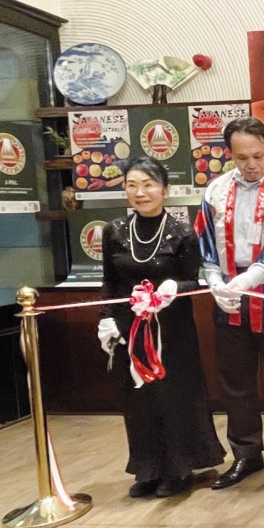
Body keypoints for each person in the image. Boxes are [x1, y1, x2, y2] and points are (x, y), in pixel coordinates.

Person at [97, 156, 225, 498]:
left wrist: (172, 289)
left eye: (149, 185)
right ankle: (147, 469)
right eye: (132, 185)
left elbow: (193, 282)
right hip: (129, 329)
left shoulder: (183, 232)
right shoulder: (114, 232)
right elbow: (109, 281)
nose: (141, 193)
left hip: (172, 330)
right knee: (138, 399)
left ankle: (179, 469)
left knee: (173, 397)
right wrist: (107, 317)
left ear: (165, 190)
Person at [196, 116, 264, 488]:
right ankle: (246, 454)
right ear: (230, 154)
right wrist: (215, 281)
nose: (251, 164)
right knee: (235, 381)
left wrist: (243, 282)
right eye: (242, 157)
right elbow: (206, 244)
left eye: (258, 155)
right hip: (228, 293)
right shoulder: (214, 190)